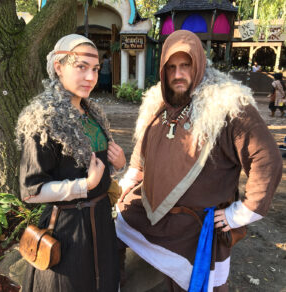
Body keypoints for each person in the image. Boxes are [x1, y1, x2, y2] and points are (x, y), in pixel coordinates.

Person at [115, 30, 282, 291]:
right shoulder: (158, 102)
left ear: (199, 64)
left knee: (199, 285)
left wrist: (241, 213)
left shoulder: (229, 105)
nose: (177, 74)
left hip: (194, 228)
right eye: (171, 68)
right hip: (151, 213)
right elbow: (143, 150)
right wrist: (131, 178)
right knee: (113, 227)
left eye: (185, 66)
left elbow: (266, 158)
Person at [16, 34, 126, 292]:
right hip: (68, 233)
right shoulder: (44, 119)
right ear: (59, 67)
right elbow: (29, 192)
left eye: (95, 69)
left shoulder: (93, 114)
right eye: (81, 67)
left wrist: (118, 163)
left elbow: (100, 168)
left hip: (101, 223)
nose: (91, 77)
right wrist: (83, 185)